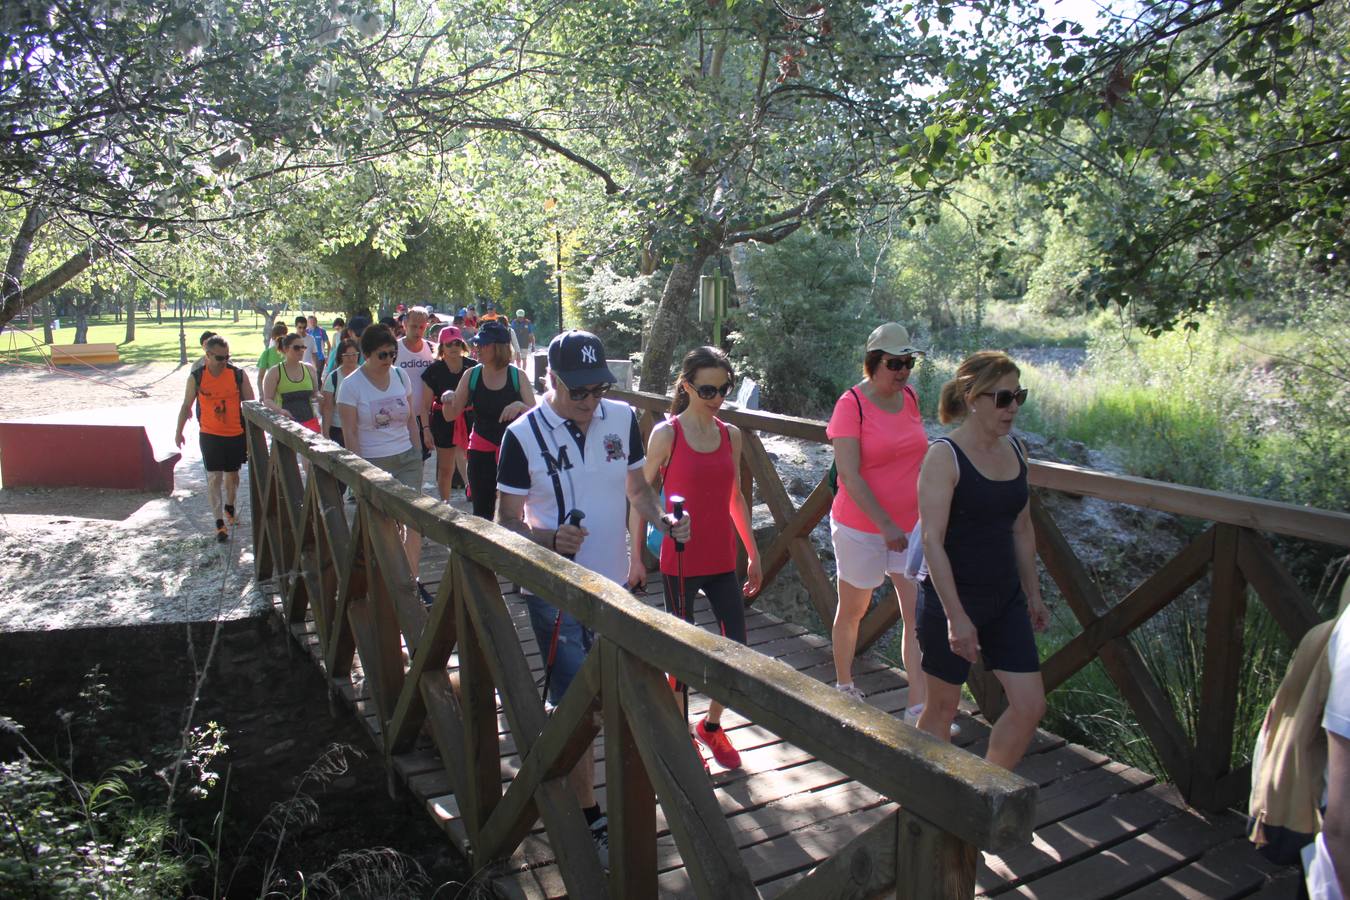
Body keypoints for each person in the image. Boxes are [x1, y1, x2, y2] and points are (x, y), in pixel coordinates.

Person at [496, 329, 689, 870]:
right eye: (578, 390)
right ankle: (588, 814)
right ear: (552, 380)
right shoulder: (521, 436)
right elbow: (503, 522)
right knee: (581, 706)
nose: (589, 401)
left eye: (597, 388)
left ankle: (625, 798)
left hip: (613, 590)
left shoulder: (622, 419)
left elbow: (637, 490)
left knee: (619, 697)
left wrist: (664, 522)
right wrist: (549, 539)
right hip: (554, 592)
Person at [628, 346, 762, 770]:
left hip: (722, 558)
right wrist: (635, 558)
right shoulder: (667, 434)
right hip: (679, 560)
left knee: (736, 650)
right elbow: (639, 495)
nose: (718, 398)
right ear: (686, 387)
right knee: (682, 656)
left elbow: (735, 497)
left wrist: (753, 553)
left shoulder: (730, 434)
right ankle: (683, 733)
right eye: (708, 390)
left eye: (725, 389)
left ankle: (711, 725)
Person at [915, 351, 1049, 770]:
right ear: (973, 398)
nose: (1013, 408)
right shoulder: (944, 456)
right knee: (942, 708)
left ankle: (987, 790)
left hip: (1004, 599)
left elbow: (1022, 528)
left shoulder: (1017, 450)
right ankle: (925, 794)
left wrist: (1033, 593)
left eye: (1018, 396)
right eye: (1003, 398)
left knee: (1030, 705)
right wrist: (955, 617)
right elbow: (932, 541)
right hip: (952, 599)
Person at [827, 323, 930, 721]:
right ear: (873, 362)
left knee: (917, 616)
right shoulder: (850, 404)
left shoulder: (910, 397)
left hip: (912, 526)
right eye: (894, 363)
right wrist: (886, 525)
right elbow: (849, 474)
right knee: (854, 609)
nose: (903, 371)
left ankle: (918, 707)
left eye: (908, 362)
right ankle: (844, 686)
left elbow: (917, 454)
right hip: (861, 527)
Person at [337, 324, 425, 587]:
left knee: (414, 519)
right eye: (382, 355)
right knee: (383, 524)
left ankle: (411, 581)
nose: (389, 360)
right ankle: (385, 579)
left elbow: (410, 418)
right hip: (374, 462)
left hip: (406, 458)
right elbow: (350, 432)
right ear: (366, 355)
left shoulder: (400, 376)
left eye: (392, 353)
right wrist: (360, 472)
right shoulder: (351, 386)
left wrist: (417, 451)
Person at [437, 319, 534, 520]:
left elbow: (537, 417)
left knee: (515, 515)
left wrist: (520, 406)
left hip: (514, 452)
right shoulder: (471, 375)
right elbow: (450, 415)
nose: (477, 348)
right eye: (476, 343)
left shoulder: (518, 376)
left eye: (483, 344)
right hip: (480, 451)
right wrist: (447, 397)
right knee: (482, 514)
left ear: (498, 347)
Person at [175, 337, 254, 542]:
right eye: (220, 358)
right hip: (210, 435)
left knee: (232, 477)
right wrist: (178, 432)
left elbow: (252, 406)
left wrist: (254, 436)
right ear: (207, 355)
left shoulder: (237, 374)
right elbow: (186, 406)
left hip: (235, 434)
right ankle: (219, 523)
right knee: (214, 478)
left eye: (227, 357)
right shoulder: (197, 377)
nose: (224, 361)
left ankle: (230, 505)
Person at [420, 326, 477, 502]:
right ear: (441, 347)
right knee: (446, 468)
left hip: (470, 419)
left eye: (457, 343)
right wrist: (426, 430)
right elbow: (424, 406)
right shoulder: (433, 371)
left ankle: (476, 498)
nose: (454, 347)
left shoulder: (473, 367)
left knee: (475, 465)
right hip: (443, 421)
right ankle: (445, 506)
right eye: (449, 344)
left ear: (462, 345)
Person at [395, 306, 437, 462]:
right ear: (405, 324)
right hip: (399, 416)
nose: (417, 331)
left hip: (423, 416)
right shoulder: (394, 349)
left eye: (421, 327)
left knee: (420, 460)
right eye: (413, 326)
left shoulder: (432, 349)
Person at [261, 332, 321, 432]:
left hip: (310, 423)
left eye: (303, 347)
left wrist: (319, 396)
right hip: (285, 425)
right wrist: (280, 411)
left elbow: (315, 392)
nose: (301, 351)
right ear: (285, 349)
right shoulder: (275, 372)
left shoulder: (310, 369)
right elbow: (267, 400)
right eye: (297, 348)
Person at [320, 339, 360, 446]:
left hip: (361, 429)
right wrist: (325, 434)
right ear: (340, 356)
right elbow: (327, 408)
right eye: (347, 355)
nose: (351, 358)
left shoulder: (366, 375)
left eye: (354, 354)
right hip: (338, 429)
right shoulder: (333, 377)